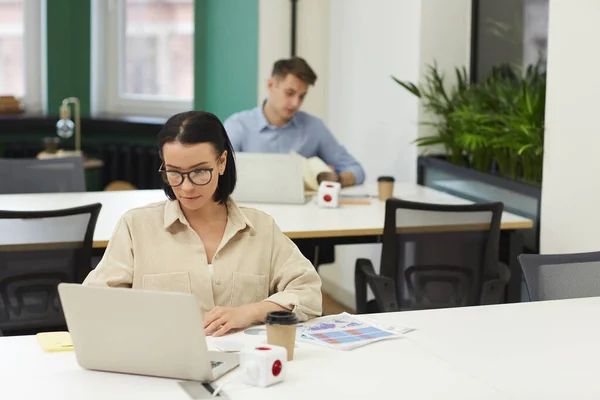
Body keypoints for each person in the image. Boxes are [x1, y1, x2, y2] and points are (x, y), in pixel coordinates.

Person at [83, 111, 322, 336]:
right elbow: (93, 303)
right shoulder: (136, 226)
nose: (186, 187)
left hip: (244, 366)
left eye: (199, 172)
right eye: (174, 172)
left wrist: (251, 312)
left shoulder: (260, 228)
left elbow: (308, 293)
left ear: (221, 162)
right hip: (162, 365)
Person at [224, 57, 365, 187]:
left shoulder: (314, 128)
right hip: (249, 210)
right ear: (271, 84)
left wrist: (336, 179)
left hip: (304, 212)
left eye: (302, 96)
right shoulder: (238, 126)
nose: (295, 103)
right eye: (290, 93)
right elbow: (219, 174)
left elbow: (356, 170)